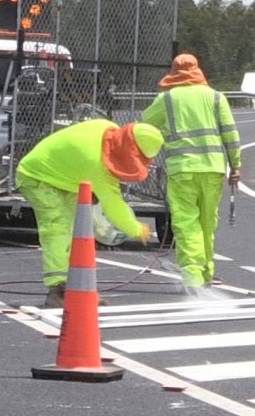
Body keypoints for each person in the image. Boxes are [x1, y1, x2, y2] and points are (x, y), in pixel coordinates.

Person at [16, 118, 165, 308]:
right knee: (58, 227)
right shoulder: (96, 163)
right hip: (36, 177)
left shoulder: (106, 127)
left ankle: (76, 288)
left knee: (78, 232)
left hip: (64, 178)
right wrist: (137, 229)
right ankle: (58, 289)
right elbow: (114, 206)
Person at [142, 53, 241, 293]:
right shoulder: (216, 97)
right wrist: (235, 165)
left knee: (186, 223)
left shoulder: (166, 99)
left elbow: (144, 125)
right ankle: (206, 272)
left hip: (182, 170)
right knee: (208, 223)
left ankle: (193, 275)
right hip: (213, 169)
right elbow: (230, 133)